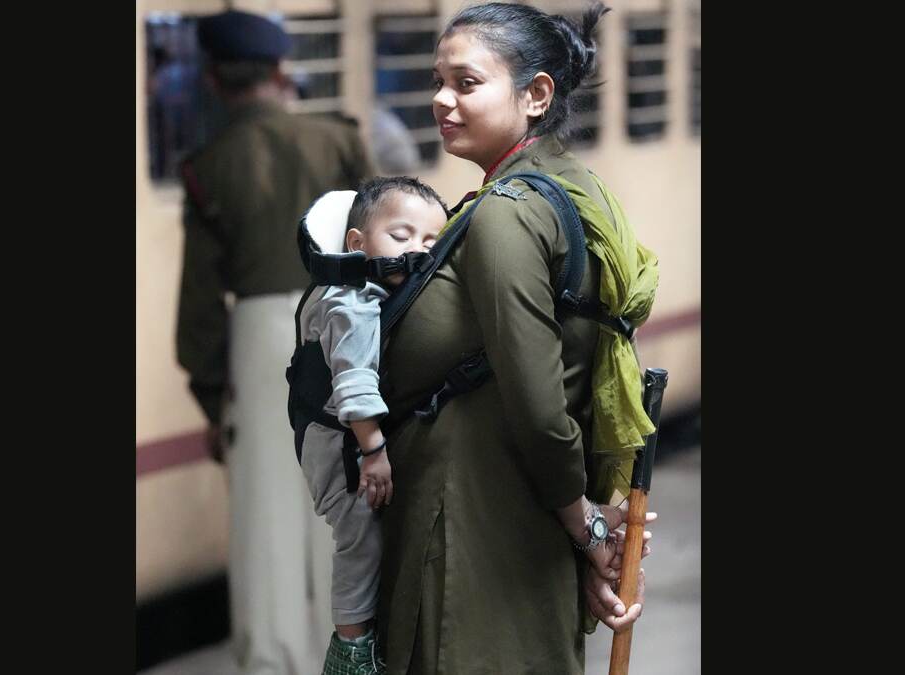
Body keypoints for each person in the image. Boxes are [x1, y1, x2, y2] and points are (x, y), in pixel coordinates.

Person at [373, 3, 660, 673]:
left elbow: (540, 403)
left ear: (536, 95)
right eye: (437, 80)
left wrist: (587, 529)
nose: (442, 99)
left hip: (475, 537)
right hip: (511, 528)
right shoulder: (575, 187)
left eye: (466, 82)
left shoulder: (508, 214)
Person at [174, 9, 375, 674]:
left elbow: (201, 308)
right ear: (282, 71)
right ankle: (350, 650)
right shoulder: (339, 141)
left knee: (266, 520)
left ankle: (273, 660)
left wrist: (214, 402)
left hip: (262, 341)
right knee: (343, 501)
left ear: (212, 80)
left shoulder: (209, 166)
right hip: (346, 322)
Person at [295, 177, 446, 674]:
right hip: (342, 443)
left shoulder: (352, 290)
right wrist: (374, 451)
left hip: (337, 436)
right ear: (356, 244)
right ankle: (351, 648)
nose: (416, 252)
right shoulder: (353, 302)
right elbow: (355, 385)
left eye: (430, 242)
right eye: (401, 237)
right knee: (361, 534)